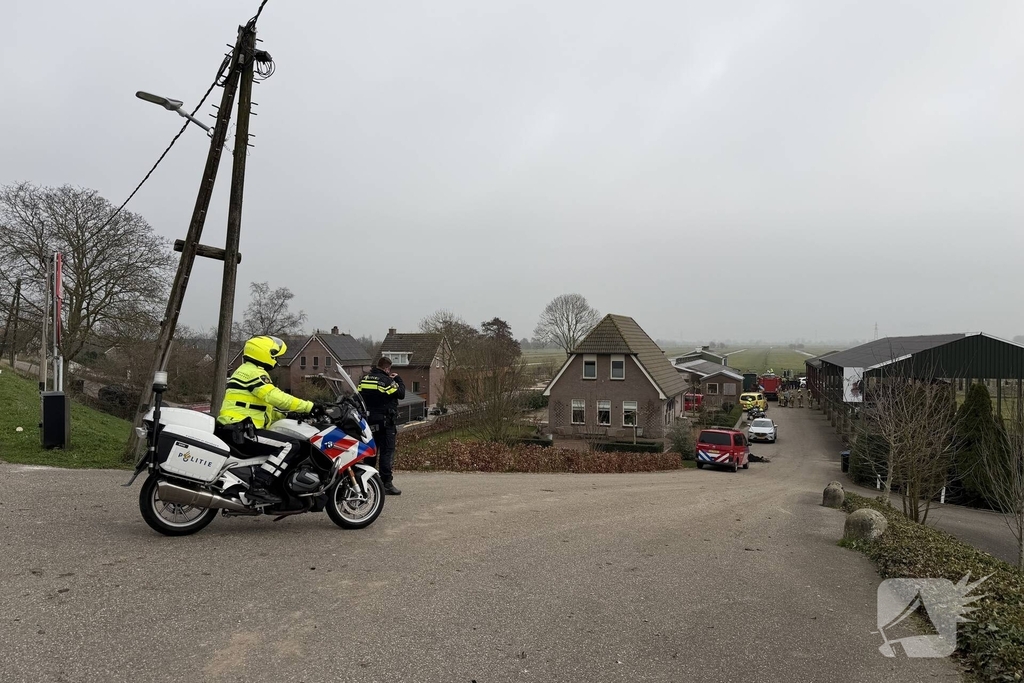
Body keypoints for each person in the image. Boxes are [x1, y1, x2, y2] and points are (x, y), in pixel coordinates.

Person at [216, 335, 325, 505]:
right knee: (290, 445)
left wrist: (287, 416)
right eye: (274, 354)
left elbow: (261, 409)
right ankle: (259, 486)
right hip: (240, 429)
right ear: (262, 353)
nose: (276, 359)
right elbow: (276, 397)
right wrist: (309, 407)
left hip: (239, 427)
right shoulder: (253, 373)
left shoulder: (247, 371)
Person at [358, 357, 405, 496]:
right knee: (386, 452)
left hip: (369, 422)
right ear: (387, 368)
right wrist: (398, 379)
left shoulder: (364, 379)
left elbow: (358, 396)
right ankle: (386, 483)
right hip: (385, 422)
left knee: (371, 452)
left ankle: (368, 481)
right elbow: (401, 394)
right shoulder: (386, 381)